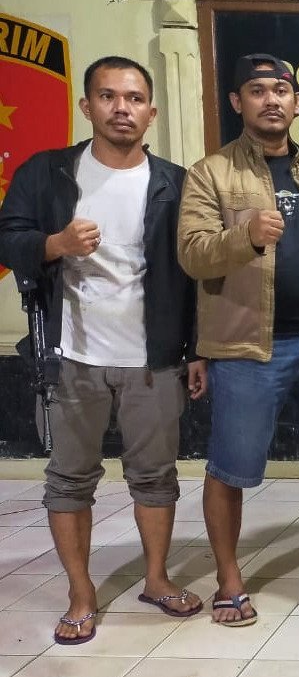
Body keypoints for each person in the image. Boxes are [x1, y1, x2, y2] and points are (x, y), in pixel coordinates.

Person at [0, 56, 205, 645]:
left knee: (156, 476)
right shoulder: (48, 173)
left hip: (154, 357)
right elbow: (7, 238)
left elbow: (193, 273)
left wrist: (196, 349)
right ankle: (80, 594)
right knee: (69, 479)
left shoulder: (174, 182)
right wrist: (54, 243)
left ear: (151, 113)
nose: (122, 108)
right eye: (109, 96)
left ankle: (157, 579)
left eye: (135, 98)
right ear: (86, 106)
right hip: (70, 355)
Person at [177, 53, 299, 626]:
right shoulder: (210, 173)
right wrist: (244, 235)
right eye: (258, 90)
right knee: (232, 466)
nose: (272, 100)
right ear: (237, 101)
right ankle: (229, 579)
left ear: (297, 102)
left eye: (281, 91)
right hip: (247, 348)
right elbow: (191, 254)